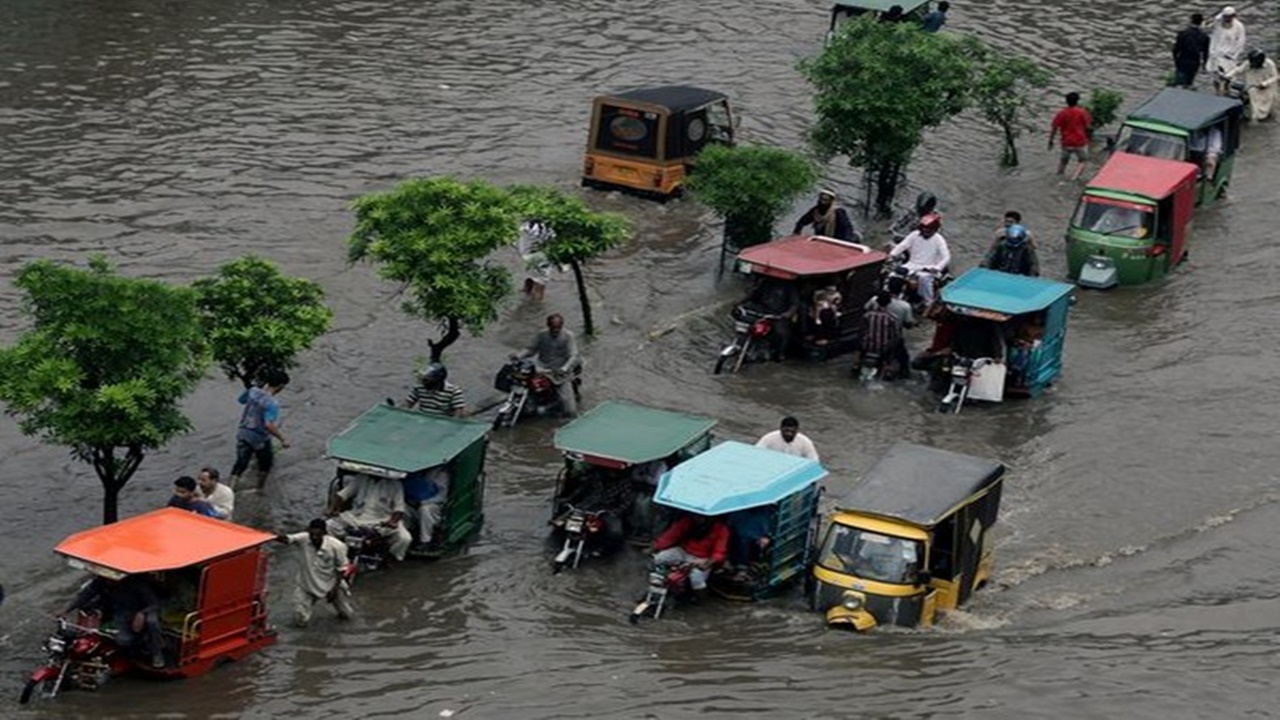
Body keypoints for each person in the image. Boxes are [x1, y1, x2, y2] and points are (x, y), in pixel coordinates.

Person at [67, 575, 165, 667]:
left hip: (136, 611)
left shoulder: (137, 584)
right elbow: (85, 595)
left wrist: (142, 613)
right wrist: (67, 610)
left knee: (149, 624)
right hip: (116, 612)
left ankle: (156, 652)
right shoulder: (101, 582)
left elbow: (154, 604)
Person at [276, 519, 354, 627]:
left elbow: (341, 569)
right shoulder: (304, 538)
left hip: (331, 583)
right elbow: (287, 539)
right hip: (307, 584)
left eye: (318, 535)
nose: (314, 538)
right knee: (300, 618)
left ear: (324, 533)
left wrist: (334, 589)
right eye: (312, 534)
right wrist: (272, 536)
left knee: (346, 615)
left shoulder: (337, 546)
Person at [327, 473, 412, 562]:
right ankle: (336, 552)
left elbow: (399, 508)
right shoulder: (361, 478)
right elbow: (343, 495)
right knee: (328, 525)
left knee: (404, 539)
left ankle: (390, 558)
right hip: (356, 517)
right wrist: (332, 509)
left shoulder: (395, 484)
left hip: (382, 520)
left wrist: (392, 522)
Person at [230, 368, 289, 491]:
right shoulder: (272, 403)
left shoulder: (253, 391)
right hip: (259, 437)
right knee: (266, 464)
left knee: (241, 462)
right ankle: (259, 489)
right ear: (281, 386)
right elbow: (268, 425)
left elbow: (241, 400)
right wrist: (282, 438)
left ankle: (231, 488)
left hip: (243, 432)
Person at [651, 513, 731, 600]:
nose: (698, 519)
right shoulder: (687, 522)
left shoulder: (721, 529)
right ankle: (660, 581)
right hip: (683, 550)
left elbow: (719, 552)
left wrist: (708, 562)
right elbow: (671, 536)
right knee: (660, 558)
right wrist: (657, 546)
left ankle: (700, 597)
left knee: (696, 579)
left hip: (703, 557)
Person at [518, 313, 582, 417]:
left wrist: (564, 368)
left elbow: (573, 355)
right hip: (542, 368)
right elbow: (531, 349)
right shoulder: (541, 335)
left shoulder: (568, 336)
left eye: (558, 328)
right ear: (548, 325)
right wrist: (518, 355)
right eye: (553, 327)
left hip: (560, 372)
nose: (555, 330)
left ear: (562, 326)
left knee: (570, 410)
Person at [889, 212, 951, 306]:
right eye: (924, 228)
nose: (926, 231)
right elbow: (903, 245)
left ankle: (928, 301)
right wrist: (892, 255)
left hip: (928, 268)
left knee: (924, 280)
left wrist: (937, 267)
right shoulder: (914, 235)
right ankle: (892, 295)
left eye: (929, 229)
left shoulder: (939, 240)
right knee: (893, 275)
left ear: (934, 230)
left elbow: (946, 256)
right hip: (911, 265)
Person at [746, 277, 801, 360]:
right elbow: (753, 296)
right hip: (762, 312)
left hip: (778, 315)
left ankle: (780, 353)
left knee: (780, 333)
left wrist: (787, 314)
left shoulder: (789, 287)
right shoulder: (765, 283)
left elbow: (794, 304)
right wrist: (741, 303)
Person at [861, 292, 907, 379]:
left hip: (867, 346)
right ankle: (899, 370)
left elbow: (862, 331)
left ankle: (857, 363)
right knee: (899, 345)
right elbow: (894, 335)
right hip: (884, 348)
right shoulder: (891, 318)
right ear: (889, 302)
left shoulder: (867, 315)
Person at [1048, 92, 1093, 180]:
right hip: (1080, 141)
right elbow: (1088, 126)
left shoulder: (1062, 113)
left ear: (1066, 101)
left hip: (1066, 142)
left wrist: (1051, 140)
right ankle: (1074, 178)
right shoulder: (1082, 112)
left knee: (1063, 162)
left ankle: (1058, 176)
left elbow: (1054, 127)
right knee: (1083, 161)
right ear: (1077, 101)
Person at [1226, 49, 1278, 121]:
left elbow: (1275, 77)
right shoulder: (1247, 63)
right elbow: (1238, 70)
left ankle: (1262, 119)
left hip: (1265, 88)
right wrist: (1228, 75)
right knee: (1252, 106)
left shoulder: (1270, 64)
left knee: (1264, 107)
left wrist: (1265, 83)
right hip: (1252, 87)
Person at [403, 466, 449, 548]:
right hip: (412, 502)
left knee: (425, 509)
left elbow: (441, 497)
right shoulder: (413, 470)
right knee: (402, 508)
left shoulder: (440, 474)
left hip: (432, 505)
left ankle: (425, 540)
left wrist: (422, 502)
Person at [727, 505, 774, 580]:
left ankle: (745, 568)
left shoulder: (765, 509)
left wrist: (767, 535)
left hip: (757, 534)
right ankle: (742, 568)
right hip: (742, 532)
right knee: (741, 538)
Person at [1207, 7, 1246, 95]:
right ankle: (1216, 92)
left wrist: (1234, 54)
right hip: (1215, 53)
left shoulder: (1239, 26)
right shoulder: (1217, 23)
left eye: (1229, 17)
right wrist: (1217, 18)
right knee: (1215, 75)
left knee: (1229, 76)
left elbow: (1241, 41)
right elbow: (1206, 26)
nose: (1227, 19)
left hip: (1229, 56)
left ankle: (1226, 91)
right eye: (1225, 17)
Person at [517, 219, 556, 302]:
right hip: (542, 257)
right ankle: (535, 306)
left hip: (526, 255)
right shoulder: (549, 228)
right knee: (540, 285)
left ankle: (526, 294)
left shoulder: (525, 226)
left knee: (530, 275)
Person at [756, 416, 820, 462]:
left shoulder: (805, 442)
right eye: (786, 431)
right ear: (781, 428)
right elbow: (756, 453)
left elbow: (814, 461)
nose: (789, 434)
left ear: (797, 430)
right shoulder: (768, 438)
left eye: (792, 432)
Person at [1171, 13, 1210, 88]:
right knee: (1189, 82)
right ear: (1201, 22)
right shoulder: (1204, 36)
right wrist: (1205, 65)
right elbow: (1206, 53)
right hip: (1195, 61)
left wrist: (1176, 60)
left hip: (1182, 60)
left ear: (1191, 21)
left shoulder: (1183, 34)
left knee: (1178, 80)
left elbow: (1176, 49)